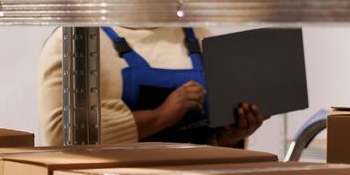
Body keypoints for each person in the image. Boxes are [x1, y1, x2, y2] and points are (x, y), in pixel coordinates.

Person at [38, 26, 263, 147]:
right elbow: (63, 133)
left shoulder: (200, 35)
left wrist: (229, 138)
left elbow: (207, 139)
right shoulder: (81, 39)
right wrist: (160, 117)